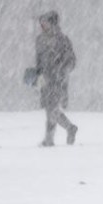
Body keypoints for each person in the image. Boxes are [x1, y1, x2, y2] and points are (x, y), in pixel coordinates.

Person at [30, 10, 78, 147]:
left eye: (45, 22)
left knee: (52, 108)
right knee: (49, 108)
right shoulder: (40, 40)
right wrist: (37, 75)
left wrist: (61, 69)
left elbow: (71, 60)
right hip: (45, 79)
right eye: (41, 23)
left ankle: (58, 134)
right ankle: (58, 134)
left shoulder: (62, 40)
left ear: (52, 23)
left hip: (58, 79)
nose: (42, 25)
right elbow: (38, 61)